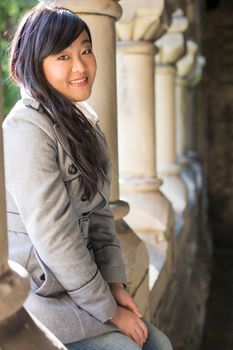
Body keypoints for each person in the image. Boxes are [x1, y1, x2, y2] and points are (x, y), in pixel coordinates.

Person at [3, 6, 173, 350]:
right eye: (62, 56)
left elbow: (99, 216)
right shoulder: (26, 129)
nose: (80, 66)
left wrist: (115, 285)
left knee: (159, 344)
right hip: (43, 298)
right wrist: (108, 310)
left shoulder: (84, 124)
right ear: (36, 64)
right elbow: (55, 237)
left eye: (85, 50)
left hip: (82, 290)